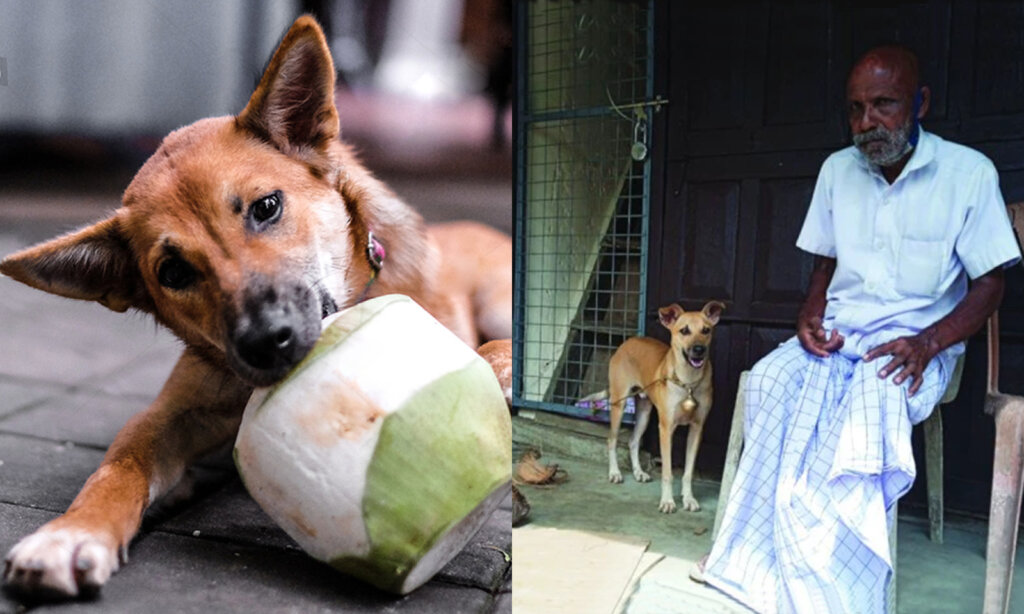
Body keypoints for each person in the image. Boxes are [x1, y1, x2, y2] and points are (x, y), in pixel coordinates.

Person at [693, 44, 1021, 613]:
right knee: (770, 380)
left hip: (919, 346)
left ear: (920, 103)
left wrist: (929, 343)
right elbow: (823, 266)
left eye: (883, 105)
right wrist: (807, 315)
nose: (866, 123)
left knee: (871, 400)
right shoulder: (837, 171)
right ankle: (752, 553)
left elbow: (990, 285)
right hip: (842, 334)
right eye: (855, 109)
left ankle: (842, 576)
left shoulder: (968, 175)